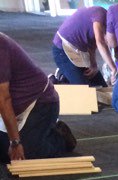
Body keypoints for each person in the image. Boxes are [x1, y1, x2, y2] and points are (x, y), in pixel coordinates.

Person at [0, 32, 76, 166]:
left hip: (40, 102)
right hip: (14, 105)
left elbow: (4, 100)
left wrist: (15, 142)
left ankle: (59, 137)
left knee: (24, 154)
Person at [51, 6, 115, 87]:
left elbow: (92, 46)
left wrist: (93, 64)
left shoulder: (107, 25)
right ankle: (61, 78)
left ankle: (69, 75)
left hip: (79, 52)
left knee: (101, 86)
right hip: (62, 49)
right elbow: (100, 42)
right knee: (83, 88)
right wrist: (113, 69)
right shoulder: (100, 14)